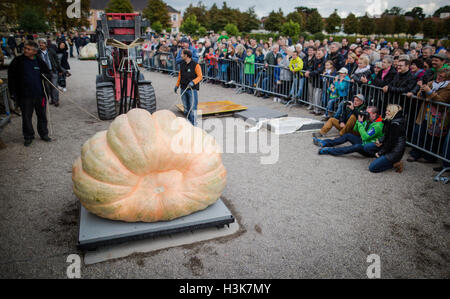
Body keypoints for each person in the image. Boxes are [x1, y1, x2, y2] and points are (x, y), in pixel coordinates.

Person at [8, 41, 52, 146]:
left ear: (35, 51)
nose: (25, 50)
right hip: (25, 95)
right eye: (25, 48)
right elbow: (11, 77)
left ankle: (44, 134)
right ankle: (28, 136)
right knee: (26, 117)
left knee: (42, 115)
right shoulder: (18, 61)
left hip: (39, 94)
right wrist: (13, 92)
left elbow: (48, 73)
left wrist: (44, 76)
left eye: (28, 49)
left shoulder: (39, 61)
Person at [314, 106, 384, 157]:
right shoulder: (369, 120)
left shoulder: (378, 125)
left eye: (368, 113)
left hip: (370, 149)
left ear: (374, 114)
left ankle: (330, 150)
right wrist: (359, 121)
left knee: (355, 147)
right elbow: (356, 129)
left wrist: (360, 123)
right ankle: (324, 142)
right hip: (364, 142)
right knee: (347, 135)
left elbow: (365, 137)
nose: (366, 114)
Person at [369, 104, 406, 173]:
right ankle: (381, 159)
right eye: (386, 110)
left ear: (394, 112)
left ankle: (394, 164)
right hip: (389, 147)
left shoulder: (395, 124)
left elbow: (391, 143)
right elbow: (386, 135)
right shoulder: (390, 120)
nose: (386, 112)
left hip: (394, 152)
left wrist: (380, 153)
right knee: (367, 147)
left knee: (372, 168)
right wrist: (380, 141)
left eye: (389, 111)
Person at [174, 49, 203, 126]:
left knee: (193, 107)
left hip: (192, 90)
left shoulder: (196, 65)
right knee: (186, 108)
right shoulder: (182, 64)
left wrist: (193, 82)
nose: (180, 55)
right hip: (183, 88)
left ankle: (194, 124)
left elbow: (200, 77)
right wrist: (177, 85)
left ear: (186, 55)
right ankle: (189, 122)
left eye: (182, 54)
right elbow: (180, 75)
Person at [38, 38, 63, 106]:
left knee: (54, 86)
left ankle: (56, 100)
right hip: (45, 73)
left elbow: (57, 61)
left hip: (53, 70)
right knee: (48, 87)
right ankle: (52, 99)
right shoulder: (38, 53)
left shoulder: (51, 51)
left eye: (42, 43)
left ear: (46, 44)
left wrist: (60, 70)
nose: (41, 44)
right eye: (40, 43)